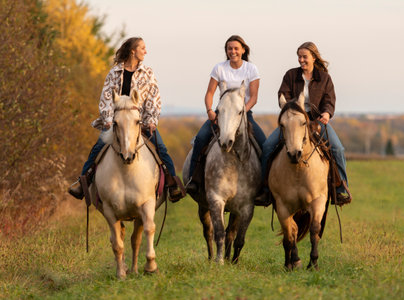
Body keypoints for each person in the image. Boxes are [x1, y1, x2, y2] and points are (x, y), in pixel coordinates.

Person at [68, 37, 185, 202]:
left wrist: (151, 120)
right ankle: (83, 183)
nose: (146, 51)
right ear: (133, 51)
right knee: (98, 148)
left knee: (161, 148)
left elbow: (154, 98)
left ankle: (172, 184)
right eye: (142, 48)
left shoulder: (148, 73)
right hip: (117, 122)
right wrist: (108, 119)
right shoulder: (114, 73)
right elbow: (106, 97)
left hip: (141, 122)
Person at [257, 41, 351, 206]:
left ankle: (340, 188)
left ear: (313, 57)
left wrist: (327, 114)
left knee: (337, 148)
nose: (301, 60)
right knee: (267, 147)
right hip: (293, 120)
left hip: (316, 121)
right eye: (299, 57)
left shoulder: (324, 78)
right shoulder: (290, 75)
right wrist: (289, 107)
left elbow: (329, 100)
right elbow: (283, 94)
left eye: (304, 56)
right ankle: (264, 190)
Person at [185, 35, 266, 194]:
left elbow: (254, 97)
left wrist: (243, 111)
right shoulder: (219, 68)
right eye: (230, 48)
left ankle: (264, 187)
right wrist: (209, 111)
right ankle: (193, 179)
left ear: (243, 50)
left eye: (236, 48)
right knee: (201, 138)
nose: (233, 51)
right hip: (221, 115)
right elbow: (209, 93)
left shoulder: (251, 69)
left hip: (244, 114)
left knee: (264, 145)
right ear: (226, 51)